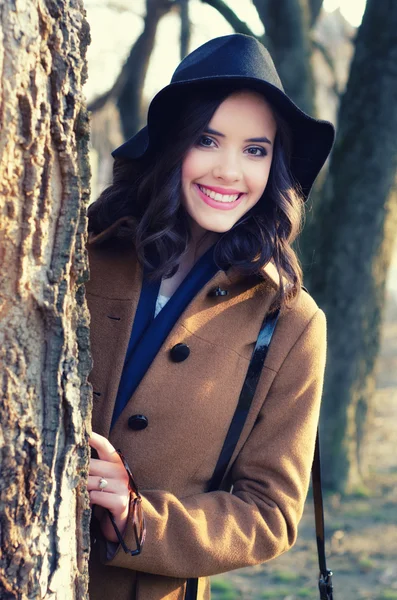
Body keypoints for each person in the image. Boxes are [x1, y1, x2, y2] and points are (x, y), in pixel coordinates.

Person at [85, 34, 335, 600]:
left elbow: (269, 512)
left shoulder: (293, 322)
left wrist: (138, 517)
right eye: (208, 139)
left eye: (255, 149)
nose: (229, 170)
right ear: (173, 144)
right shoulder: (81, 254)